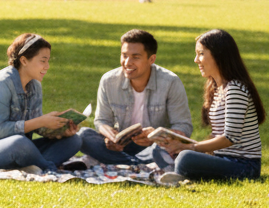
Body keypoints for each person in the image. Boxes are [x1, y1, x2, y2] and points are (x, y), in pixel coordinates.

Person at [156, 29, 264, 183]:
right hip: (223, 158)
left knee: (186, 158)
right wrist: (180, 144)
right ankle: (180, 174)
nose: (196, 60)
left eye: (201, 54)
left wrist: (191, 148)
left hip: (243, 165)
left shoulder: (234, 90)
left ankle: (180, 175)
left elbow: (229, 138)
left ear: (219, 55)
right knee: (167, 151)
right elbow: (216, 135)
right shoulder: (216, 88)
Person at [0, 33, 81, 171]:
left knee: (74, 141)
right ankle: (46, 167)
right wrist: (41, 121)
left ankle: (34, 164)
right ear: (24, 61)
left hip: (19, 147)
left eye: (48, 61)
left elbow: (36, 126)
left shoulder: (34, 84)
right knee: (20, 143)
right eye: (43, 61)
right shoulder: (0, 84)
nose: (47, 66)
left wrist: (59, 129)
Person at [80, 29, 192, 166]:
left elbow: (184, 127)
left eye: (135, 57)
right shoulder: (109, 81)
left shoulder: (170, 82)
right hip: (122, 146)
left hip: (154, 146)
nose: (127, 62)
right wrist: (109, 136)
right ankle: (137, 164)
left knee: (161, 150)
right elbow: (101, 121)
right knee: (83, 135)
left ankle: (120, 161)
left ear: (151, 59)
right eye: (124, 55)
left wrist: (156, 136)